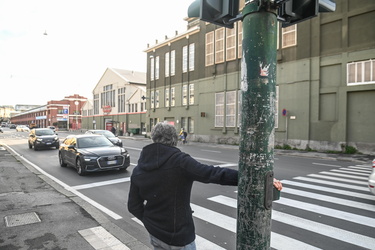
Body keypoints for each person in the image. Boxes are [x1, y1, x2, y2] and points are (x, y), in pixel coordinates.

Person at [128, 122, 282, 250]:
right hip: (180, 236)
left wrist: (150, 221)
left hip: (156, 234)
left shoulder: (139, 169)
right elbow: (212, 174)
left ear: (153, 138)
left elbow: (133, 206)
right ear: (175, 139)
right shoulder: (179, 161)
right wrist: (254, 179)